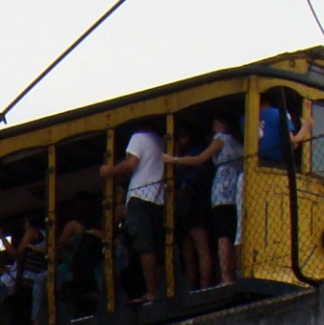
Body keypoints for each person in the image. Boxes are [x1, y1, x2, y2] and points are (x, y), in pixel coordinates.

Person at [169, 114, 244, 289]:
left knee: (223, 236)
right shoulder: (239, 143)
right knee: (234, 233)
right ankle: (235, 273)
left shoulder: (221, 138)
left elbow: (200, 159)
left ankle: (225, 277)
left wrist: (172, 160)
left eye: (216, 123)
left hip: (222, 192)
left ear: (223, 125)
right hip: (237, 191)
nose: (213, 128)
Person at [100, 124, 165, 305]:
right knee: (157, 248)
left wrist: (109, 172)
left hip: (139, 197)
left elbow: (131, 164)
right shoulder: (159, 141)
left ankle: (151, 292)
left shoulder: (138, 137)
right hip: (158, 198)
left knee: (144, 246)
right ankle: (159, 289)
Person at [258, 89, 309, 168]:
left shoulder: (245, 119)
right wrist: (306, 126)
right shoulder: (281, 113)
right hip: (276, 164)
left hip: (256, 163)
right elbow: (291, 143)